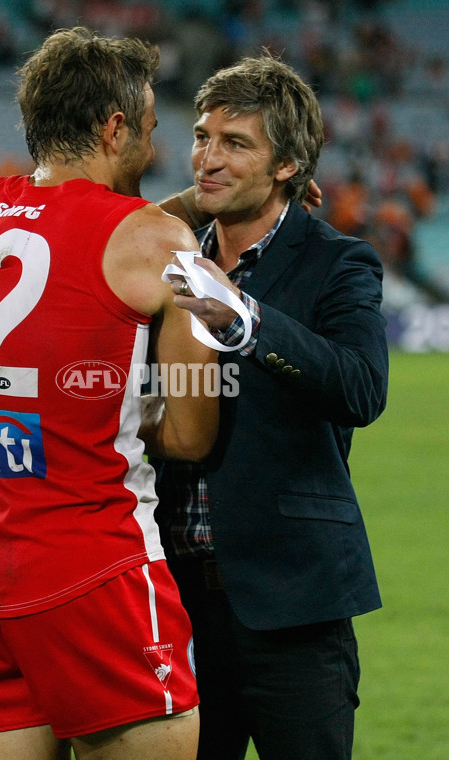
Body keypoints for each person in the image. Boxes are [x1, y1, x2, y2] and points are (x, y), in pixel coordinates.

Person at [0, 27, 220, 760]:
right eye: (150, 128)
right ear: (113, 126)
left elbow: (69, 255)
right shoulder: (155, 243)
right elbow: (190, 431)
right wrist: (129, 413)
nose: (153, 149)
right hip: (99, 572)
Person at [153, 51, 389, 760]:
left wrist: (246, 320)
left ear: (286, 165)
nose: (207, 157)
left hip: (293, 603)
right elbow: (97, 230)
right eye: (202, 137)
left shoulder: (337, 262)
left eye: (235, 143)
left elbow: (360, 388)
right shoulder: (166, 256)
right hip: (174, 599)